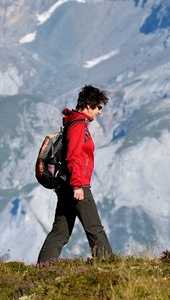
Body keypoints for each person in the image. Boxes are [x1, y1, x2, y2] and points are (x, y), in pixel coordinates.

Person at [37, 85, 114, 263]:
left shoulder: (75, 123)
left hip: (67, 185)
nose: (100, 112)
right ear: (88, 105)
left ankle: (42, 267)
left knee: (60, 231)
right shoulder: (78, 126)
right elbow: (73, 157)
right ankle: (109, 265)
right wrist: (78, 185)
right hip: (77, 185)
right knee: (94, 228)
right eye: (98, 107)